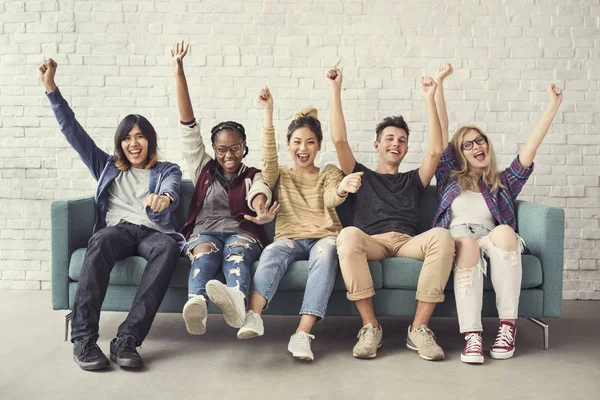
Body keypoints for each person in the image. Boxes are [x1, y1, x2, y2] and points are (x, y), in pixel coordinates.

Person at [40, 58, 183, 371]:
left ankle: (127, 339)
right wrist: (51, 89)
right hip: (117, 231)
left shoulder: (167, 169)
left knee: (169, 247)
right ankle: (83, 338)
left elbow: (172, 188)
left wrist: (165, 198)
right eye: (127, 137)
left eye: (140, 136)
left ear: (150, 141)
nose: (134, 143)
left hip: (152, 233)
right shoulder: (106, 166)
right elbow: (72, 131)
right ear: (120, 143)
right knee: (101, 240)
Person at [432, 62, 563, 363]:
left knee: (505, 232)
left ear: (487, 146)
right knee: (465, 244)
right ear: (460, 154)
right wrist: (439, 85)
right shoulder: (448, 178)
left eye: (480, 140)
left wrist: (552, 107)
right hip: (459, 240)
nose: (476, 146)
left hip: (490, 238)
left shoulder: (502, 183)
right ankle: (473, 337)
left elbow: (529, 150)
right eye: (467, 145)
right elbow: (441, 131)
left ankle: (508, 327)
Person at [329, 67, 455, 361]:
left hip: (407, 242)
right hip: (371, 241)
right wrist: (335, 90)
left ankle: (419, 328)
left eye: (401, 140)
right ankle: (371, 327)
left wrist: (429, 96)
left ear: (406, 148)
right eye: (389, 138)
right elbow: (339, 141)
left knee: (443, 237)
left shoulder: (415, 179)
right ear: (377, 144)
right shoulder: (360, 174)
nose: (395, 144)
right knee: (347, 235)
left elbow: (436, 151)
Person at [236, 86, 362, 361]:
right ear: (289, 144)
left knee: (327, 251)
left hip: (324, 237)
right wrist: (268, 112)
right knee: (270, 252)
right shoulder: (280, 172)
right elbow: (268, 159)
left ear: (318, 146)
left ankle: (302, 334)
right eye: (296, 142)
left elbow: (331, 198)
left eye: (310, 142)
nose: (303, 148)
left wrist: (342, 187)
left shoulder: (329, 171)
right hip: (289, 237)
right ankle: (254, 315)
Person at [170, 41, 278, 335]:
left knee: (237, 254)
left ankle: (237, 301)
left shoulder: (252, 174)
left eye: (235, 149)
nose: (228, 156)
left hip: (243, 232)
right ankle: (196, 304)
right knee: (204, 253)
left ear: (244, 148)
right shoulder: (202, 168)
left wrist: (260, 210)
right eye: (221, 149)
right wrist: (179, 72)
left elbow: (260, 191)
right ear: (213, 149)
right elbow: (187, 125)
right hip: (204, 232)